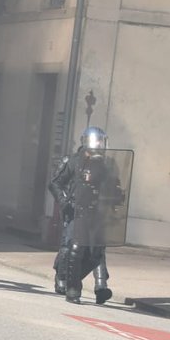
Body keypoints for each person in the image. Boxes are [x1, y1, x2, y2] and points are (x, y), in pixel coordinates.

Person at [49, 127, 123, 305]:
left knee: (97, 249)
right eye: (97, 141)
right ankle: (64, 279)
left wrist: (116, 199)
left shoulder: (107, 164)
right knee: (71, 247)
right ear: (88, 141)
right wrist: (65, 200)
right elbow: (56, 183)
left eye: (101, 141)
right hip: (76, 210)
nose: (99, 144)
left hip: (96, 212)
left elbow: (113, 186)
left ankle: (100, 286)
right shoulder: (73, 161)